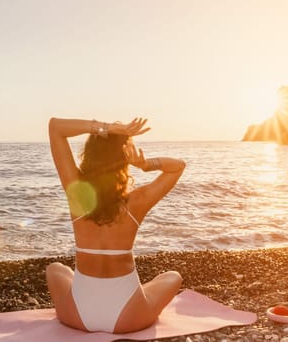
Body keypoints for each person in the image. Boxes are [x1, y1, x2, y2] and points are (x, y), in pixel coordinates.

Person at [45, 117, 185, 333]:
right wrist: (146, 165)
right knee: (172, 277)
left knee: (55, 269)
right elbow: (177, 167)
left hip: (78, 316)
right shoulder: (137, 201)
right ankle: (139, 291)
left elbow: (55, 127)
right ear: (124, 158)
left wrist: (106, 129)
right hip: (128, 318)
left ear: (89, 154)